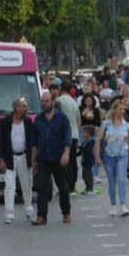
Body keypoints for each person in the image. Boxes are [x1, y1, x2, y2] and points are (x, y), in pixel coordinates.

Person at [32, 90, 72, 226]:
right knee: (42, 187)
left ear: (53, 102)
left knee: (63, 187)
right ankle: (41, 216)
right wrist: (33, 160)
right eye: (43, 101)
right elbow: (34, 142)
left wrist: (66, 153)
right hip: (43, 158)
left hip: (59, 157)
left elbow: (67, 137)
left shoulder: (62, 118)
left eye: (47, 101)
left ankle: (66, 212)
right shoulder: (38, 120)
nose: (45, 103)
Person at [0, 98, 36, 224]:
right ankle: (9, 215)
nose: (26, 108)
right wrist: (1, 159)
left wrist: (33, 158)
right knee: (9, 186)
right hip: (10, 158)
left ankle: (29, 212)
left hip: (25, 157)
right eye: (24, 106)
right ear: (17, 108)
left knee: (27, 186)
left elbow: (32, 140)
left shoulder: (28, 121)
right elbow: (1, 142)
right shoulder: (5, 122)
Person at [97, 100, 129, 217]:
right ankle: (113, 205)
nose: (122, 111)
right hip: (108, 156)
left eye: (123, 109)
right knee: (112, 181)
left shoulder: (127, 126)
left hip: (123, 155)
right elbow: (98, 140)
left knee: (121, 179)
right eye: (119, 109)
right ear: (114, 110)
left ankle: (123, 205)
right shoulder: (106, 124)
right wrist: (97, 156)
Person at [54, 80, 82, 195]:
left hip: (64, 135)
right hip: (74, 134)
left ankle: (66, 186)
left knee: (64, 161)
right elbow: (79, 120)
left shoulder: (58, 101)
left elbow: (55, 117)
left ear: (61, 88)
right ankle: (72, 185)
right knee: (73, 161)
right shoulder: (73, 102)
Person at [79, 92, 102, 193]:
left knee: (93, 151)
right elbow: (79, 121)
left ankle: (94, 173)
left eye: (90, 101)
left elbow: (99, 123)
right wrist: (83, 116)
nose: (88, 103)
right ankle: (87, 184)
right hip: (83, 130)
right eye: (86, 101)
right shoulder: (81, 109)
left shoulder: (96, 110)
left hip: (93, 130)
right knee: (84, 149)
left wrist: (92, 119)